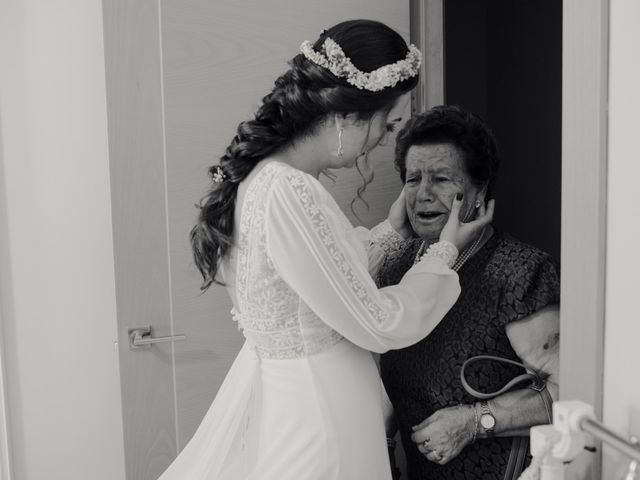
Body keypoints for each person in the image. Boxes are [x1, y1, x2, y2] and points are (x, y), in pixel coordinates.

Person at [157, 21, 493, 480]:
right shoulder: (288, 191)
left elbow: (322, 279)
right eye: (388, 124)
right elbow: (378, 321)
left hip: (302, 400)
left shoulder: (269, 180)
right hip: (319, 415)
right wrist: (443, 254)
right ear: (350, 115)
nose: (382, 143)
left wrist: (392, 231)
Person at [377, 105, 560, 480]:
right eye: (413, 179)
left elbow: (571, 392)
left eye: (441, 178)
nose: (423, 194)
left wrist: (474, 421)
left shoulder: (519, 272)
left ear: (479, 190)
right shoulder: (396, 266)